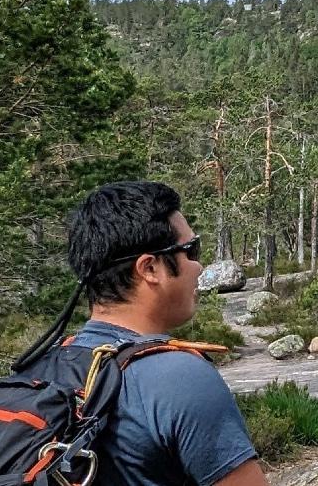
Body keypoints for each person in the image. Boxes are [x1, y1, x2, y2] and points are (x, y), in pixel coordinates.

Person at [62, 181, 268, 486]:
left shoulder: (51, 363)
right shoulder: (179, 378)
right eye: (191, 250)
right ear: (149, 268)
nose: (199, 267)